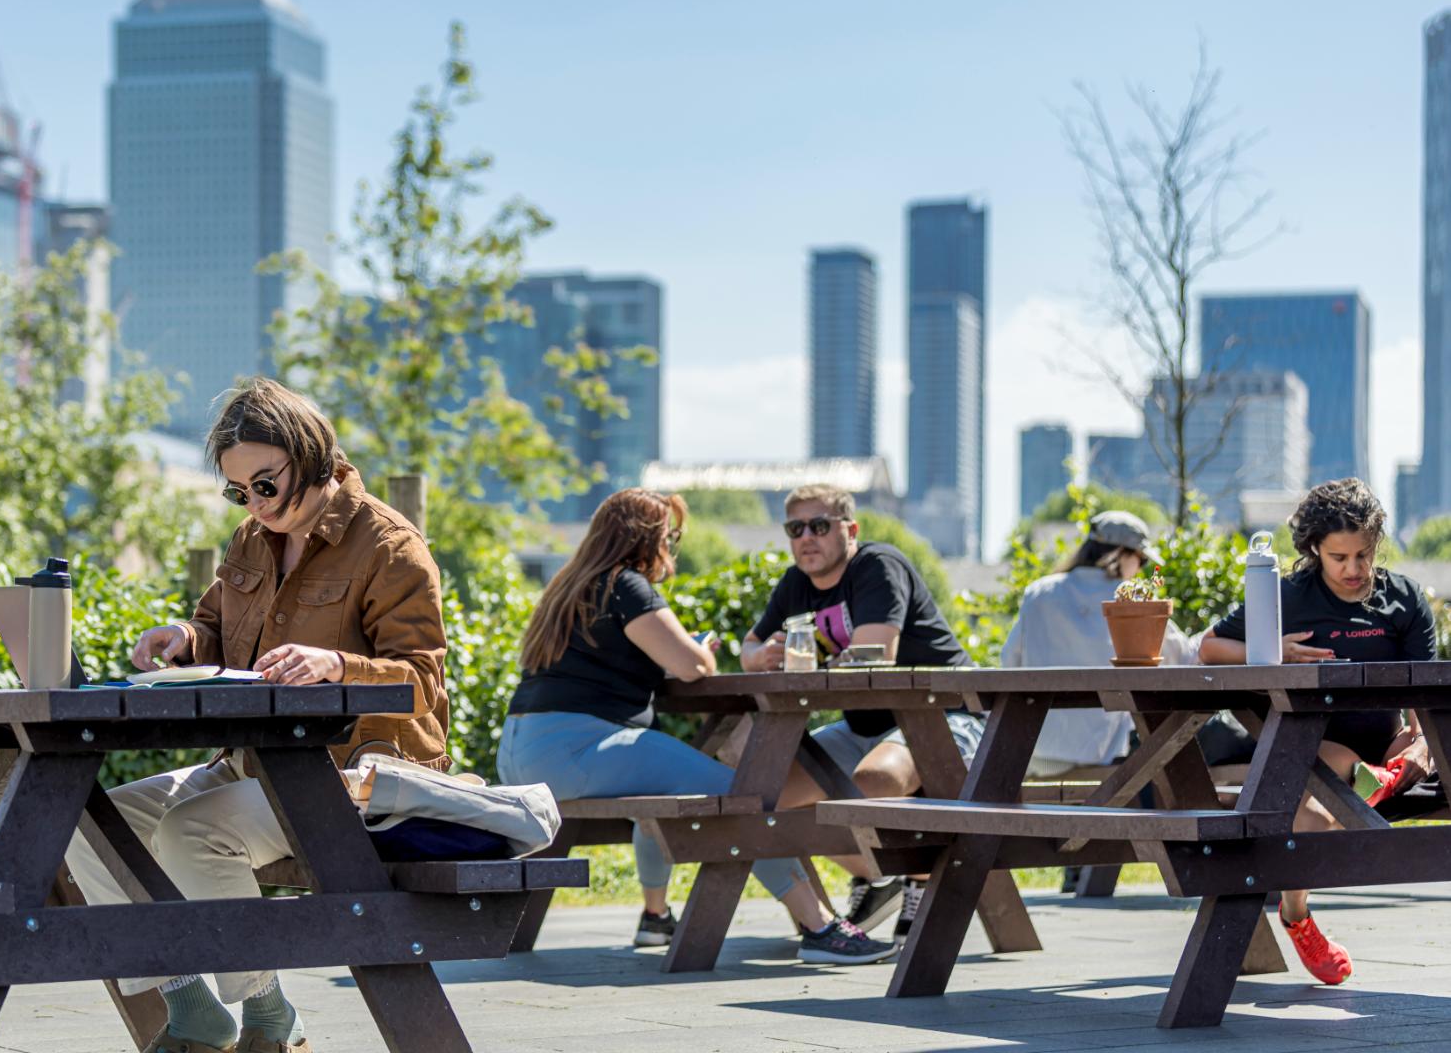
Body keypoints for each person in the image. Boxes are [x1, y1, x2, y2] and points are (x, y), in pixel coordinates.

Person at [64, 378, 450, 1053]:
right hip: (252, 767)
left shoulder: (389, 546)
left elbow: (423, 681)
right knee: (84, 821)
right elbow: (214, 627)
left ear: (312, 455)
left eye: (264, 485)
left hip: (359, 781)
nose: (253, 504)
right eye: (238, 492)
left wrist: (338, 665)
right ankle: (193, 1005)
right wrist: (184, 639)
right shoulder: (249, 541)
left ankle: (267, 1017)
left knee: (194, 831)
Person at [497, 488, 894, 964]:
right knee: (745, 799)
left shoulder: (570, 586)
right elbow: (693, 667)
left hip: (521, 751)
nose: (673, 545)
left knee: (658, 794)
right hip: (576, 749)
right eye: (671, 535)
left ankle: (654, 917)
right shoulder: (625, 586)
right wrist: (704, 647)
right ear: (649, 538)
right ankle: (820, 928)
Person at [1197, 477, 1437, 987]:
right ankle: (1298, 915)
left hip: (1386, 748)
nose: (1353, 570)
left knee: (1315, 806)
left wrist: (1421, 742)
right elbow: (1210, 648)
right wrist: (1273, 649)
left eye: (1363, 555)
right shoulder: (1286, 596)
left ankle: (1295, 908)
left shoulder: (1405, 600)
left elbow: (1427, 689)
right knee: (1311, 800)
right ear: (1314, 551)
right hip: (1302, 748)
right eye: (1339, 557)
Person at [737, 484, 979, 944]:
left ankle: (915, 876)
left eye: (820, 526)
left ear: (850, 529)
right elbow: (750, 646)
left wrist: (796, 657)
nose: (807, 537)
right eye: (796, 528)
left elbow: (875, 653)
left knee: (873, 783)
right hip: (863, 725)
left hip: (942, 716)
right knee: (763, 794)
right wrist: (759, 657)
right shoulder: (795, 584)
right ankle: (887, 876)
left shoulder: (877, 566)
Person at [1000, 511, 1188, 778]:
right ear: (1123, 554)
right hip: (1106, 759)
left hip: (1036, 753)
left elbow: (1009, 660)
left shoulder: (1038, 593)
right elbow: (1181, 656)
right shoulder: (1127, 600)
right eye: (1142, 560)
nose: (1140, 569)